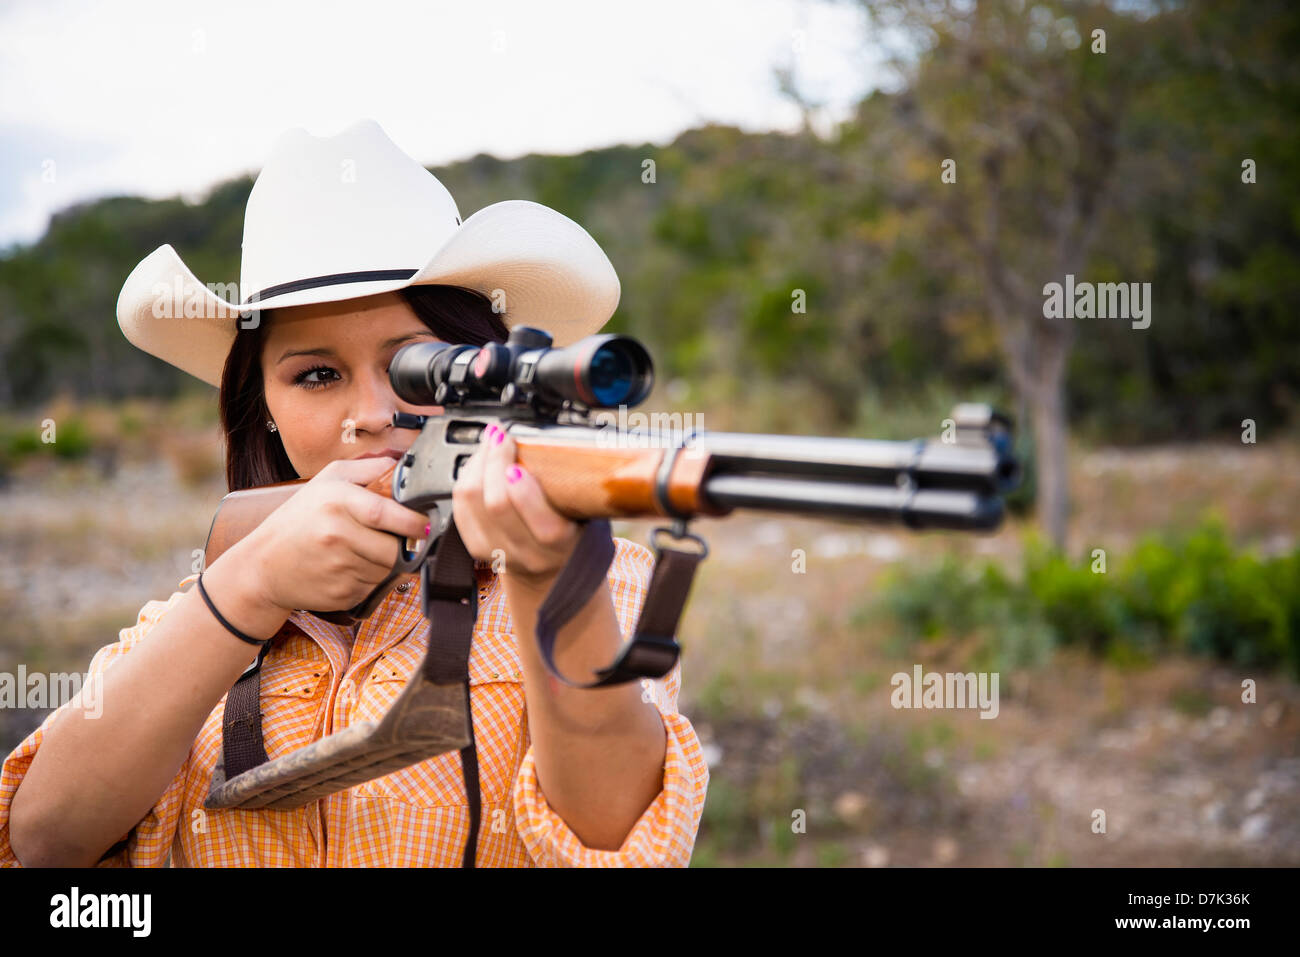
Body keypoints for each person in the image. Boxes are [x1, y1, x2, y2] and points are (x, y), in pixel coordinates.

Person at [0, 120, 709, 867]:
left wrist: (552, 584)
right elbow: (45, 839)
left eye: (415, 365)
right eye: (316, 374)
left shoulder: (600, 579)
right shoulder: (201, 607)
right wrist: (246, 591)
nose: (372, 412)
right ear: (262, 407)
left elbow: (617, 839)